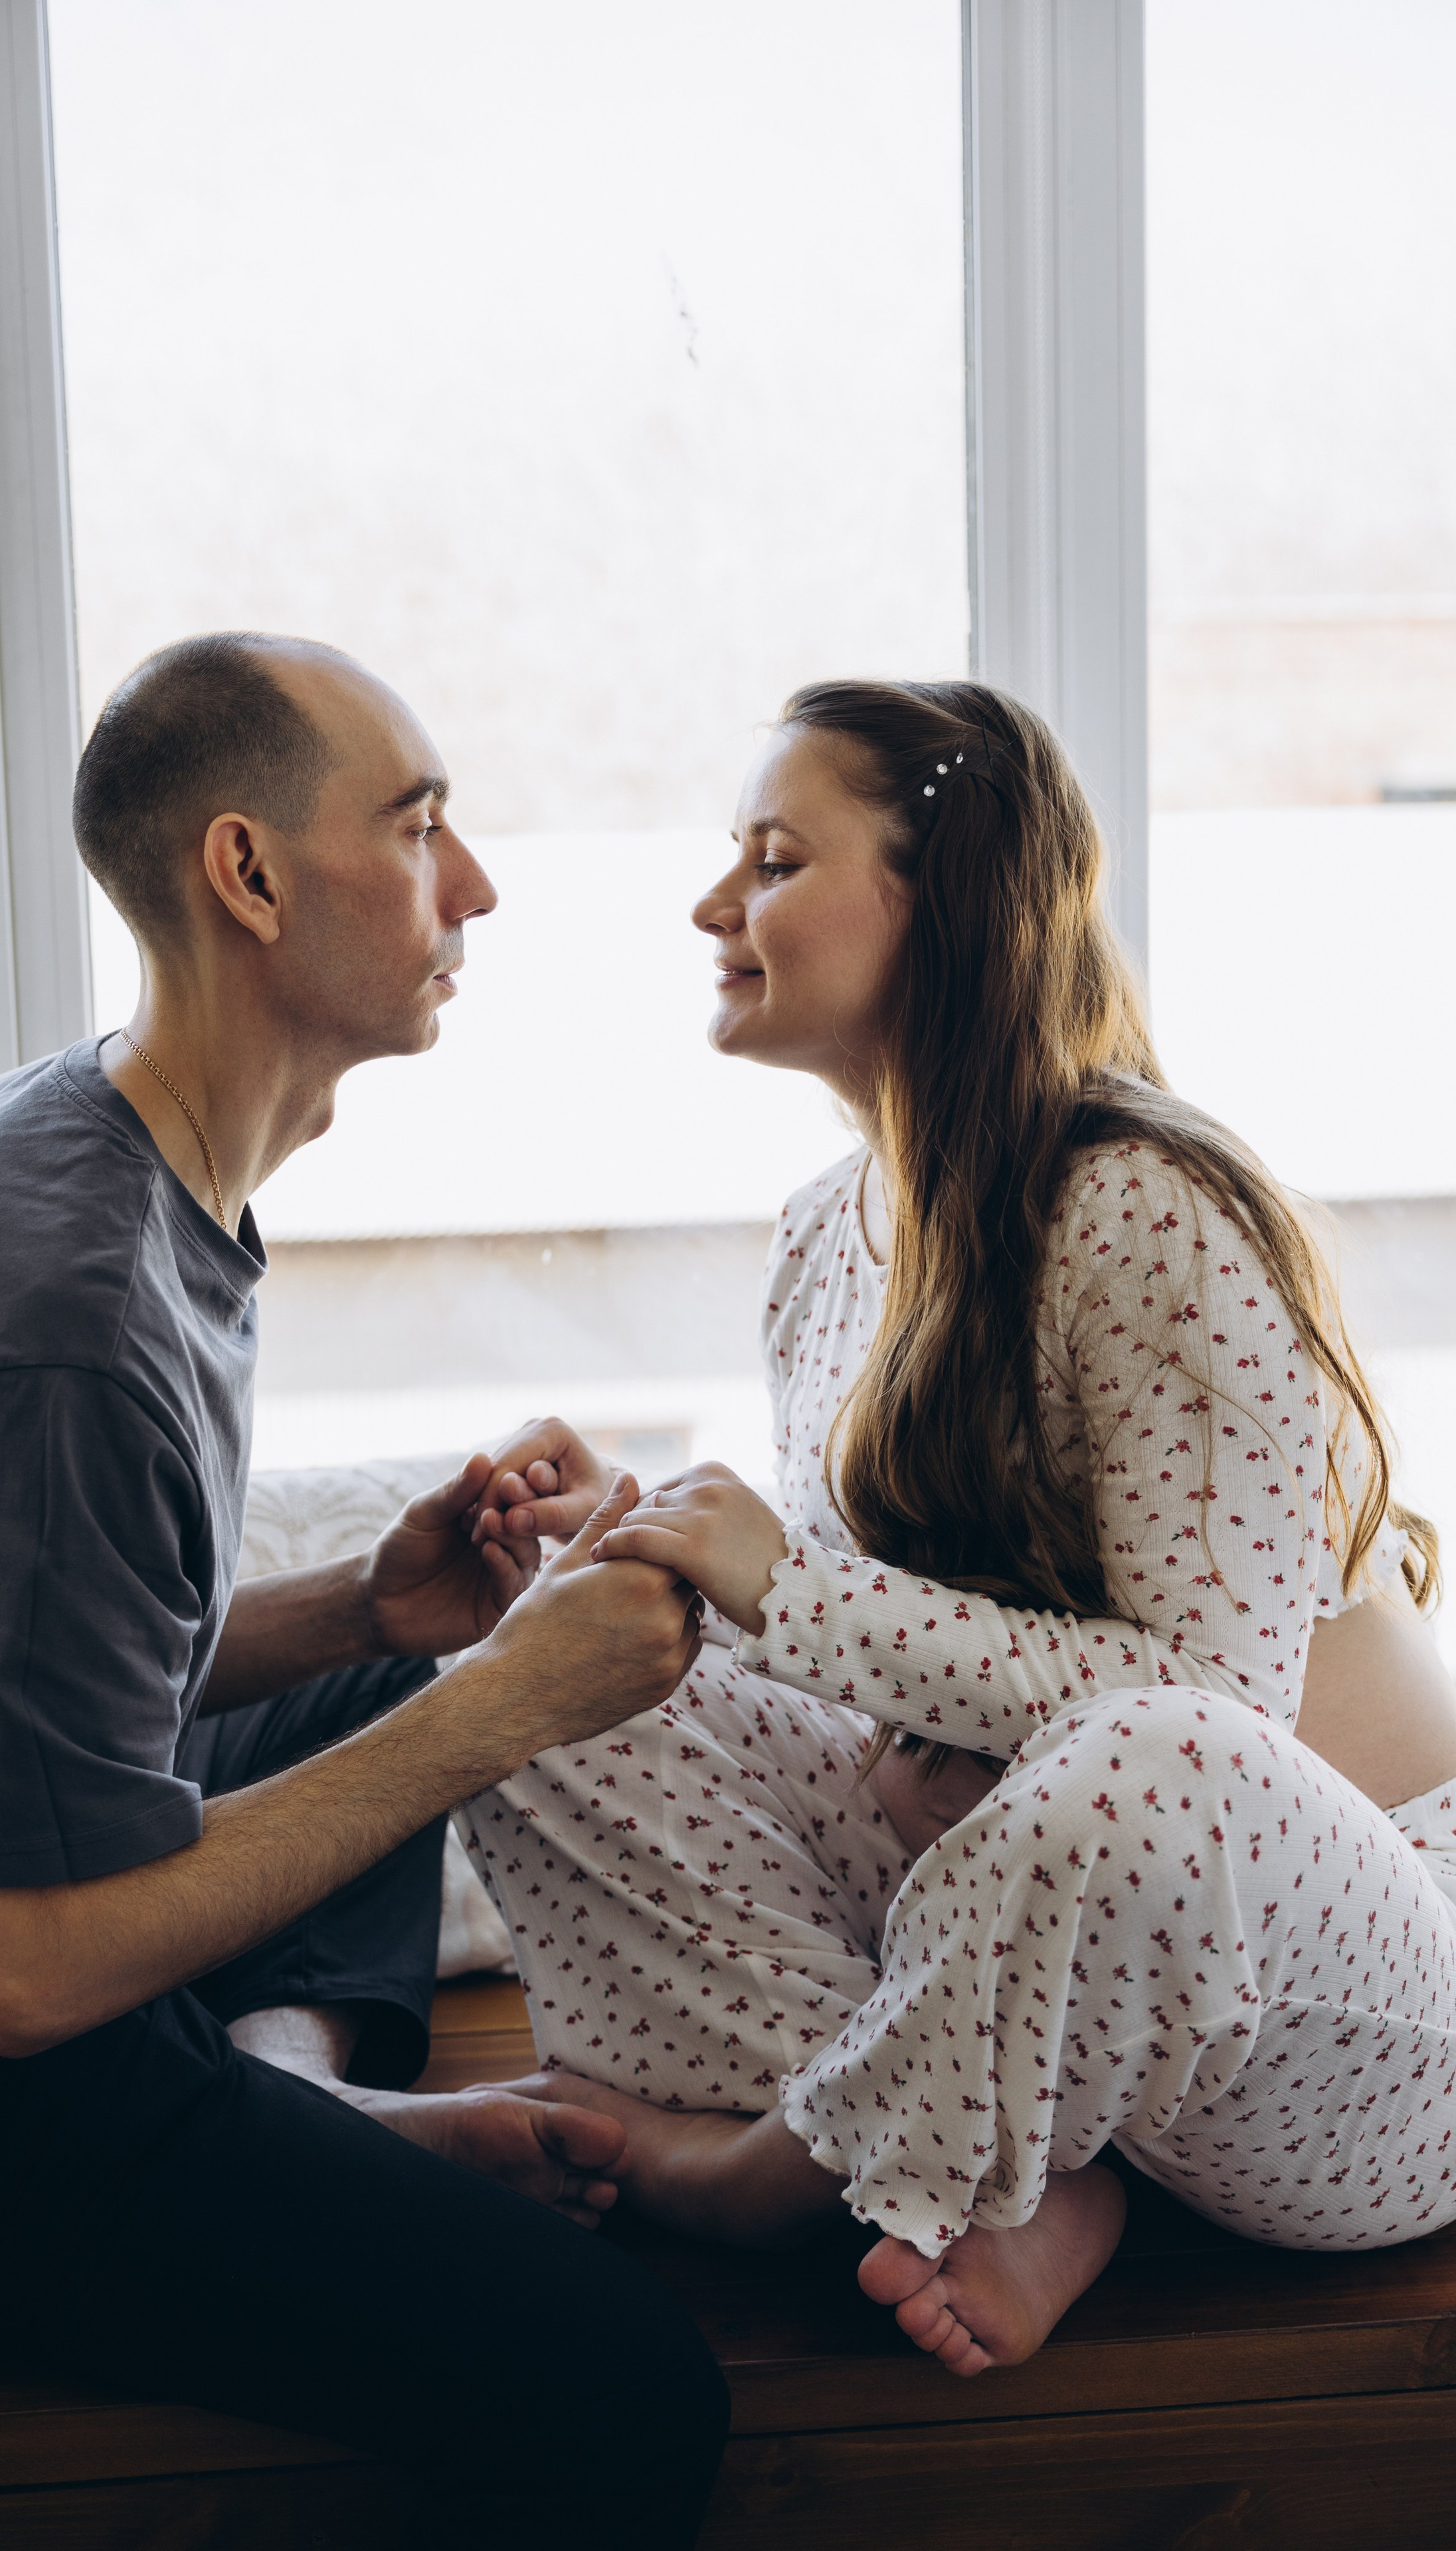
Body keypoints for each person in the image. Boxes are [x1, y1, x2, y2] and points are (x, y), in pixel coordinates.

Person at [0, 634, 729, 2547]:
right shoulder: (63, 1325)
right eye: (421, 824)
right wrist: (505, 1710)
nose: (477, 889)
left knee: (390, 1700)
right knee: (633, 2399)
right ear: (251, 876)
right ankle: (275, 2115)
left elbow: (22, 1682)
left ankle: (299, 2093)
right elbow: (23, 1975)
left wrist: (372, 1622)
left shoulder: (105, 1150)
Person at [462, 676, 1456, 2380]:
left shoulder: (1146, 1202)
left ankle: (791, 2173)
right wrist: (646, 1549)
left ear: (951, 901)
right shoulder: (822, 1237)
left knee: (1152, 1756)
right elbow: (876, 1674)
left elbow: (1213, 1711)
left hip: (1341, 2029)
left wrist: (785, 1589)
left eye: (773, 859)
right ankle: (1008, 2175)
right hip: (1029, 1966)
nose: (716, 906)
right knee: (544, 1674)